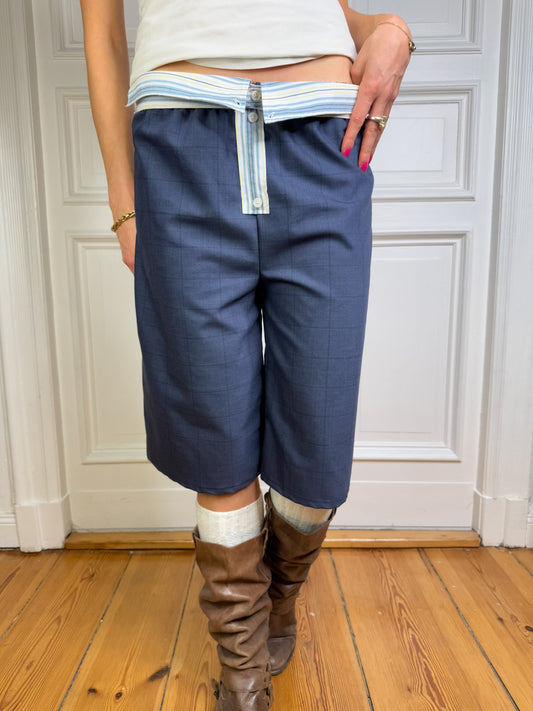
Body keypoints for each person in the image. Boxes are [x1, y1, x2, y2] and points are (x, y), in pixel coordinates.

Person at [80, 1, 413, 708]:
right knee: (215, 431)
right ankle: (243, 672)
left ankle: (275, 599)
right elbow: (102, 34)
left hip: (323, 139)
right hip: (181, 144)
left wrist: (388, 30)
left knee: (317, 441)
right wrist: (124, 199)